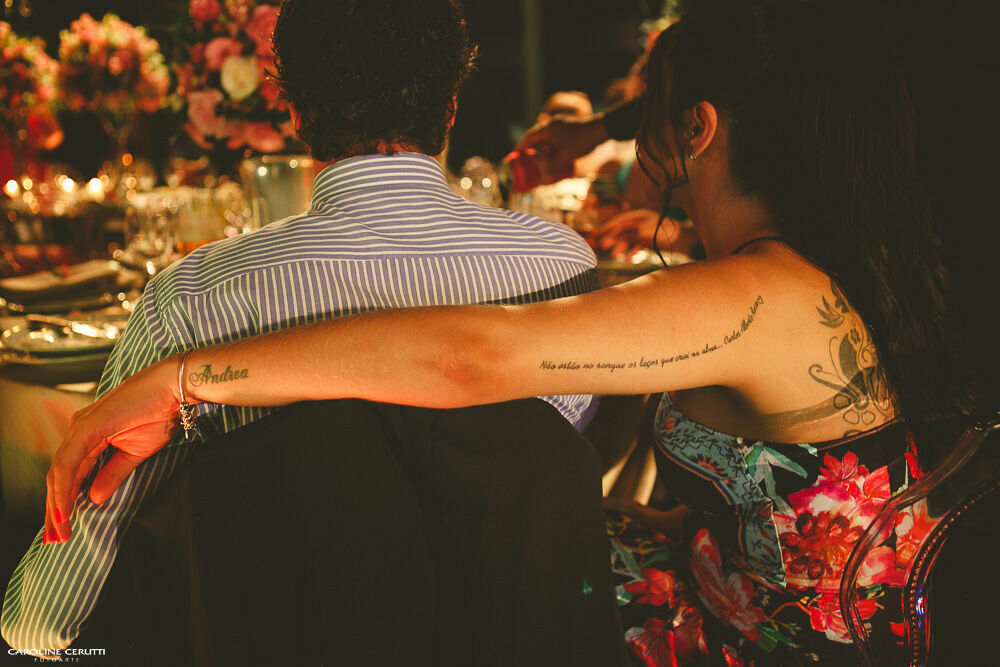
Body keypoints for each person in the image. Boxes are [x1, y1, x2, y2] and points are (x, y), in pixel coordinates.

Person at [33, 0, 980, 663]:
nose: (628, 146)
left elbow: (471, 354)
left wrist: (184, 377)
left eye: (643, 120)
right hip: (729, 600)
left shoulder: (756, 293)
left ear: (694, 129)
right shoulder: (802, 274)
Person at [0, 0, 604, 653]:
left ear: (288, 110)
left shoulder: (194, 300)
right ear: (452, 102)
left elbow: (57, 613)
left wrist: (24, 629)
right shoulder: (563, 267)